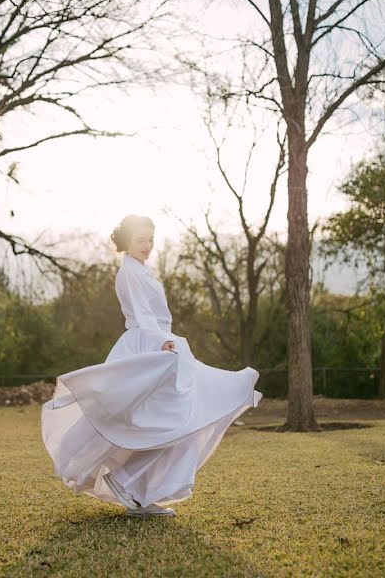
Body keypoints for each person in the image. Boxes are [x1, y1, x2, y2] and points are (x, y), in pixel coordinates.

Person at [40, 214, 262, 517]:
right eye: (141, 240)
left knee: (174, 420)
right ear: (126, 242)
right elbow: (144, 315)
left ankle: (139, 491)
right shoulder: (128, 273)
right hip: (148, 347)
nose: (147, 245)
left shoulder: (142, 270)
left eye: (150, 239)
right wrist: (161, 343)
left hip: (163, 343)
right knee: (164, 420)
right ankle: (129, 484)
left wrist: (166, 341)